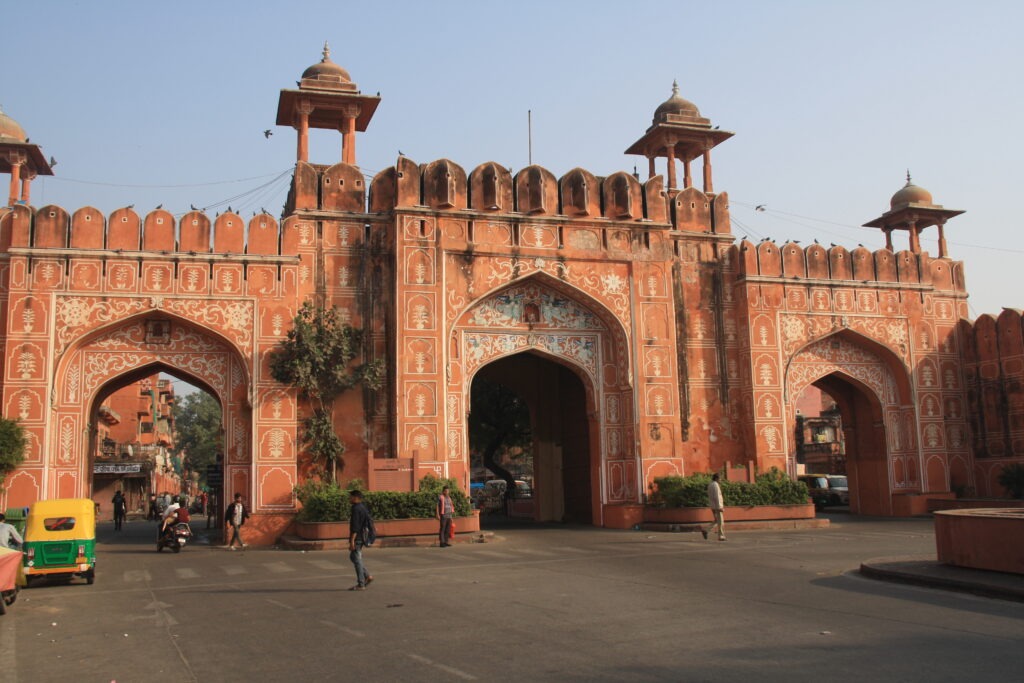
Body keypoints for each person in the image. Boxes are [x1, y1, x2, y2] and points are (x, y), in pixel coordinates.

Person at [348, 490, 374, 590]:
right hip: (362, 536)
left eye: (351, 497)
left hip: (357, 537)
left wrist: (352, 541)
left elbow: (355, 526)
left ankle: (361, 583)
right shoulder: (363, 507)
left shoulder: (355, 509)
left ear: (355, 497)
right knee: (353, 557)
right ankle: (367, 576)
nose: (349, 499)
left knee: (357, 559)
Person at [702, 473, 726, 541]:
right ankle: (721, 536)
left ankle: (706, 530)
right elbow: (717, 496)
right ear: (716, 478)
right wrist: (720, 507)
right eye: (720, 478)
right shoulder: (715, 485)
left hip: (713, 505)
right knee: (720, 521)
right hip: (717, 506)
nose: (721, 480)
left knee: (716, 520)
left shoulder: (710, 484)